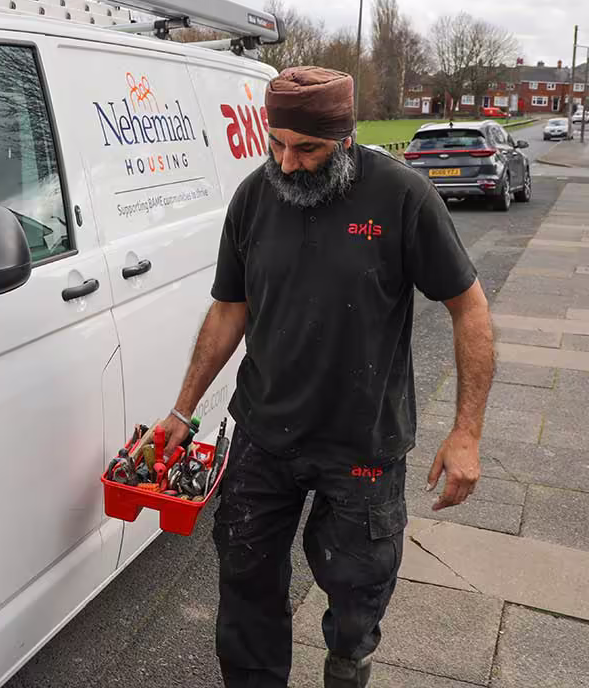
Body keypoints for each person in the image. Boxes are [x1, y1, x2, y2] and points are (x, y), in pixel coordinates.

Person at [158, 66, 494, 688]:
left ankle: (347, 668)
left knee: (356, 593)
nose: (287, 163)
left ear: (346, 137)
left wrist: (467, 431)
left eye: (307, 148)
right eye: (275, 143)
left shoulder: (401, 196)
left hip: (361, 444)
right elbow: (230, 308)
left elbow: (468, 307)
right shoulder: (253, 198)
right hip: (263, 432)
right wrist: (183, 410)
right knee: (245, 579)